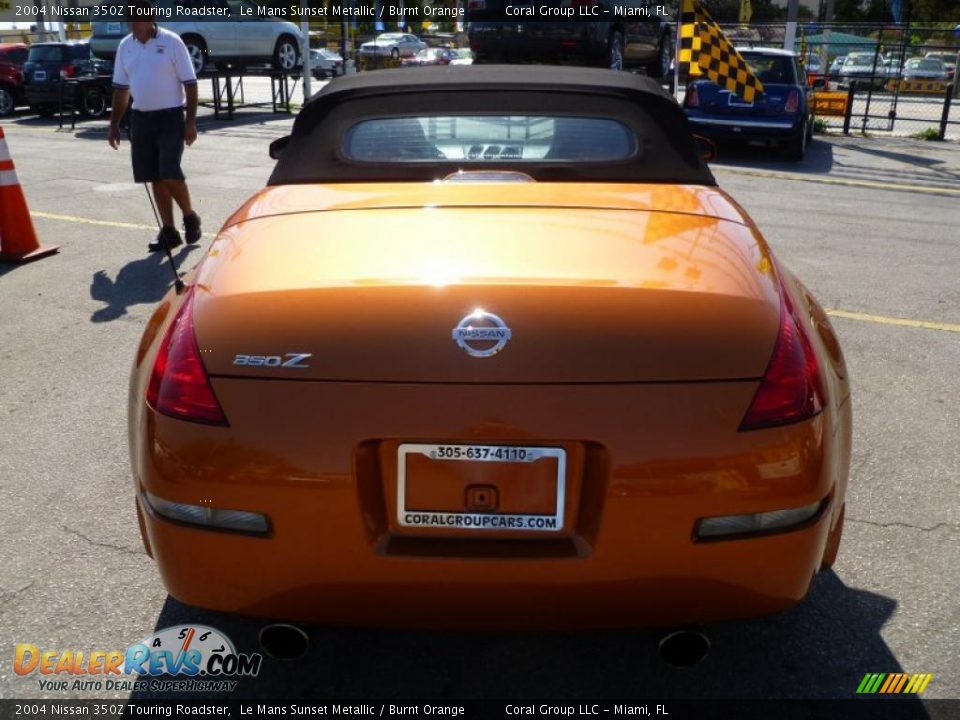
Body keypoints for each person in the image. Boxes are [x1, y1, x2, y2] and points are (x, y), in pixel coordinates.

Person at [107, 0, 201, 253]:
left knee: (169, 170)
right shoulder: (125, 46)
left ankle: (190, 216)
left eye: (137, 17)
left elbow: (190, 84)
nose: (132, 22)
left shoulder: (172, 42)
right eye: (129, 17)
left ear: (150, 18)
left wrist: (190, 121)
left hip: (170, 117)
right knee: (154, 175)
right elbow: (121, 89)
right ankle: (168, 231)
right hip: (141, 119)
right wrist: (114, 123)